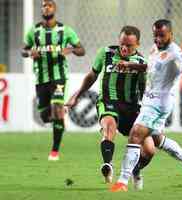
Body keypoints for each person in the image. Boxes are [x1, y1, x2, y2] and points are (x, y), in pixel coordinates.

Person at [110, 19, 182, 192]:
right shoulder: (155, 49)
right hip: (149, 101)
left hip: (159, 104)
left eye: (162, 35)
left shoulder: (176, 53)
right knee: (157, 140)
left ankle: (122, 181)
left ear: (171, 34)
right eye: (155, 35)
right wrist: (131, 65)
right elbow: (150, 67)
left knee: (135, 134)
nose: (158, 39)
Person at [65, 25, 155, 190]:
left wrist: (148, 112)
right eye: (122, 43)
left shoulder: (141, 63)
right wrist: (76, 95)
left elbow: (143, 91)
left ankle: (135, 169)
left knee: (149, 150)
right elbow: (92, 75)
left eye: (129, 45)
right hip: (108, 101)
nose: (124, 48)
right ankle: (108, 165)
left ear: (138, 44)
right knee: (109, 125)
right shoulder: (105, 53)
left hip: (131, 107)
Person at [21, 0, 85, 161]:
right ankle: (60, 119)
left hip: (59, 77)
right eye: (43, 5)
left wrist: (69, 49)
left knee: (57, 106)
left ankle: (55, 151)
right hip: (41, 78)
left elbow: (81, 50)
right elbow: (23, 50)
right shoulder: (33, 31)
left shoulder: (65, 31)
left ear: (54, 9)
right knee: (44, 116)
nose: (46, 8)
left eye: (49, 5)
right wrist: (29, 54)